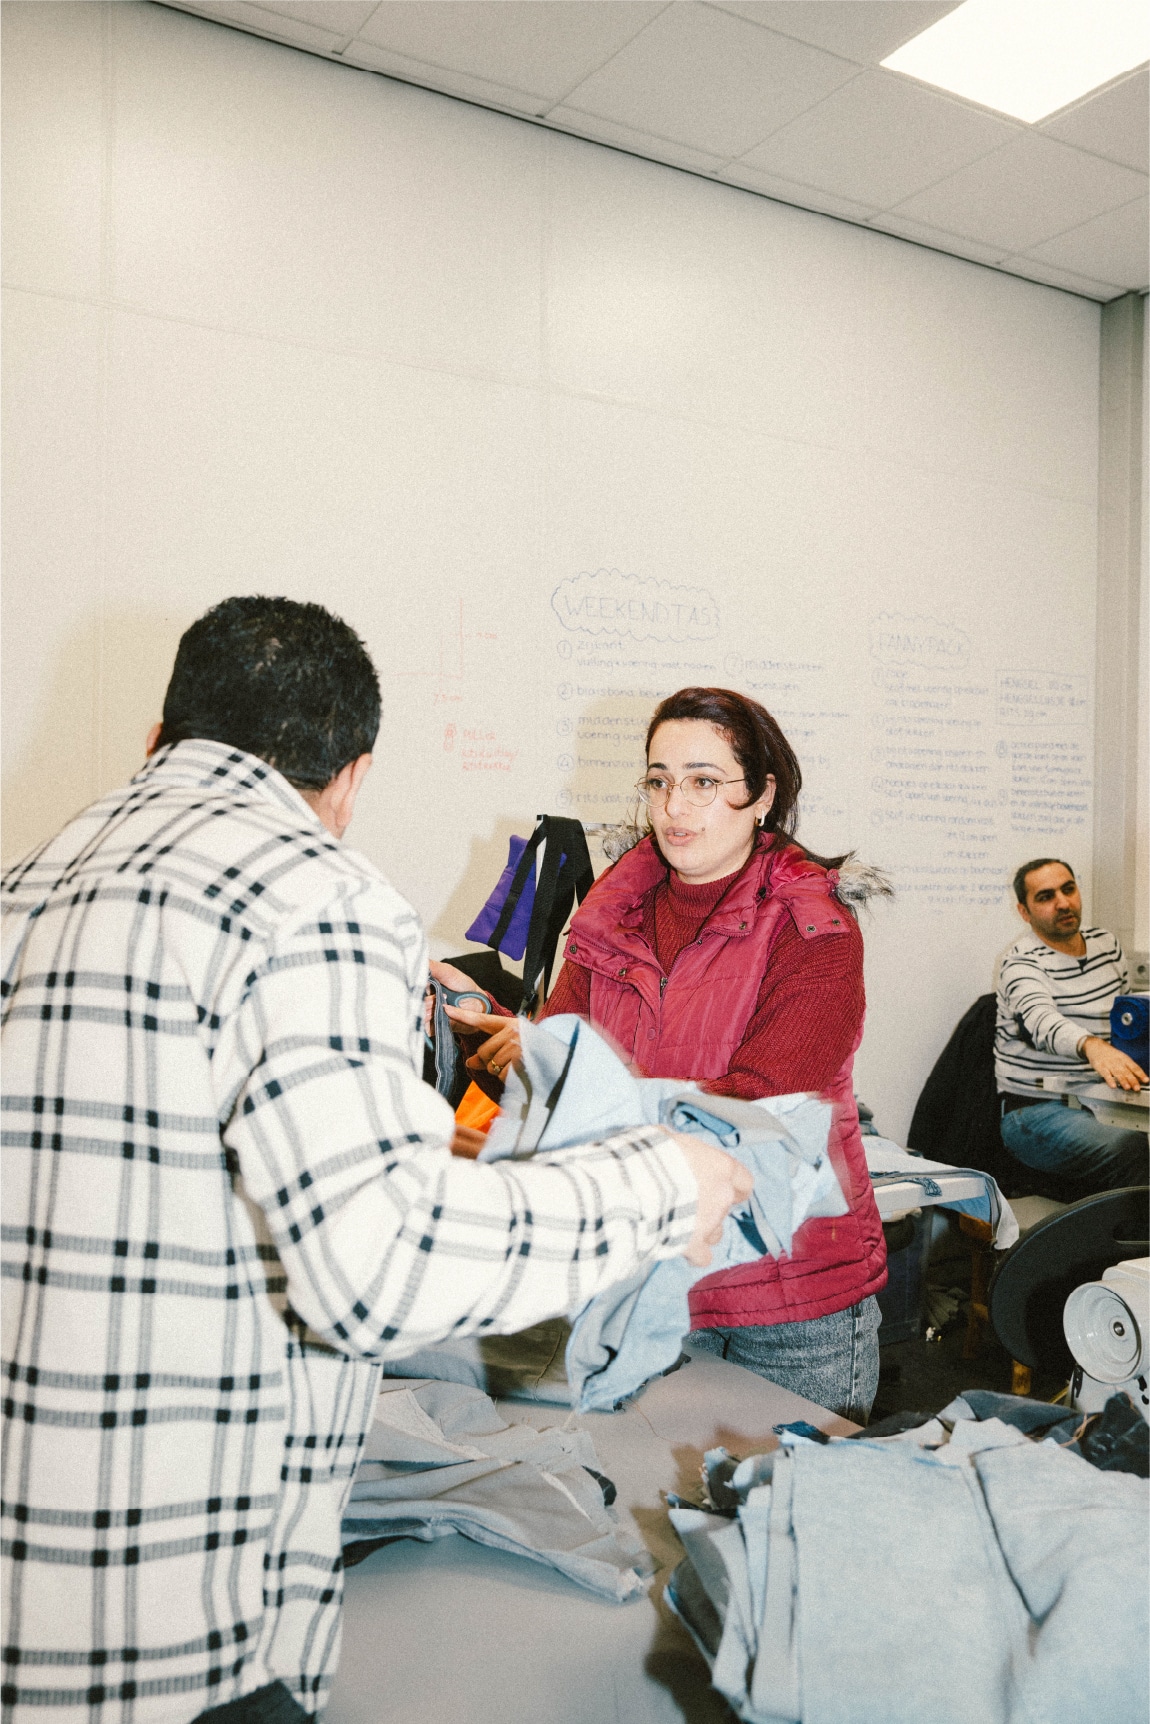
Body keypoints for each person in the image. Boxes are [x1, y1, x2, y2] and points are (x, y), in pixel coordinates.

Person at [0, 600, 752, 1724]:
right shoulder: (320, 894)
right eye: (662, 780)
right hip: (179, 1628)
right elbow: (381, 1259)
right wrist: (659, 1184)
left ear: (160, 737)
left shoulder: (25, 886)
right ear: (351, 778)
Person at [436, 687, 888, 1422]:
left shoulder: (813, 926)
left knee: (790, 1493)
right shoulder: (610, 914)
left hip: (789, 1292)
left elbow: (760, 1112)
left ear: (762, 795)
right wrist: (483, 1027)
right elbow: (559, 1073)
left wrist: (569, 1073)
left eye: (704, 782)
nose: (675, 806)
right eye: (659, 781)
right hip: (652, 1276)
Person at [995, 857, 1147, 1193]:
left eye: (1068, 889)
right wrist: (1092, 1046)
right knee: (1134, 1149)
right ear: (1024, 911)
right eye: (1046, 896)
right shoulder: (1021, 962)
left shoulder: (1107, 946)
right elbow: (1041, 1022)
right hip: (1035, 1112)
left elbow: (1128, 1023)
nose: (1063, 903)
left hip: (1103, 1098)